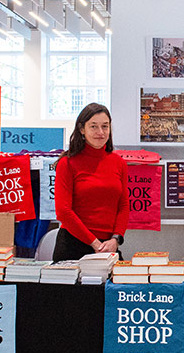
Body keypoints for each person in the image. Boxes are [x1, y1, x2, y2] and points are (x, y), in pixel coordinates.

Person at [52, 103, 129, 262]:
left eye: (105, 126)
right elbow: (63, 211)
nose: (100, 132)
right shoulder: (67, 163)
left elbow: (124, 206)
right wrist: (95, 244)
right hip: (73, 246)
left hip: (109, 246)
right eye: (93, 126)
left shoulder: (118, 163)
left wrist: (116, 239)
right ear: (82, 129)